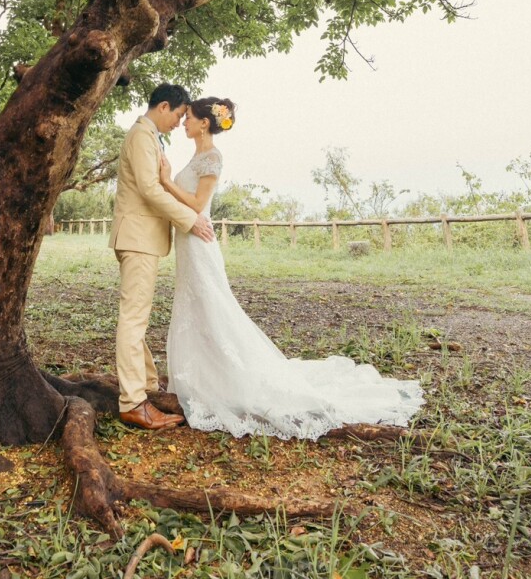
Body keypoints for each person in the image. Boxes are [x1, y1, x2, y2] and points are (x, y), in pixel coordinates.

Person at [159, 96, 425, 438]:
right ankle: (204, 373)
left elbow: (198, 203)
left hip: (199, 239)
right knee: (195, 305)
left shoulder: (212, 157)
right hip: (187, 239)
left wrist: (166, 182)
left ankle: (225, 378)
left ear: (205, 123)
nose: (184, 122)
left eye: (190, 118)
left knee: (212, 305)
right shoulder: (196, 156)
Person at [109, 82, 215, 431]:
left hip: (142, 238)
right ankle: (133, 403)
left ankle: (149, 386)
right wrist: (190, 219)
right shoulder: (142, 135)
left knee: (137, 316)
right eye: (180, 115)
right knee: (134, 319)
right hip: (137, 238)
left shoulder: (149, 136)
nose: (179, 123)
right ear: (165, 106)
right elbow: (150, 189)